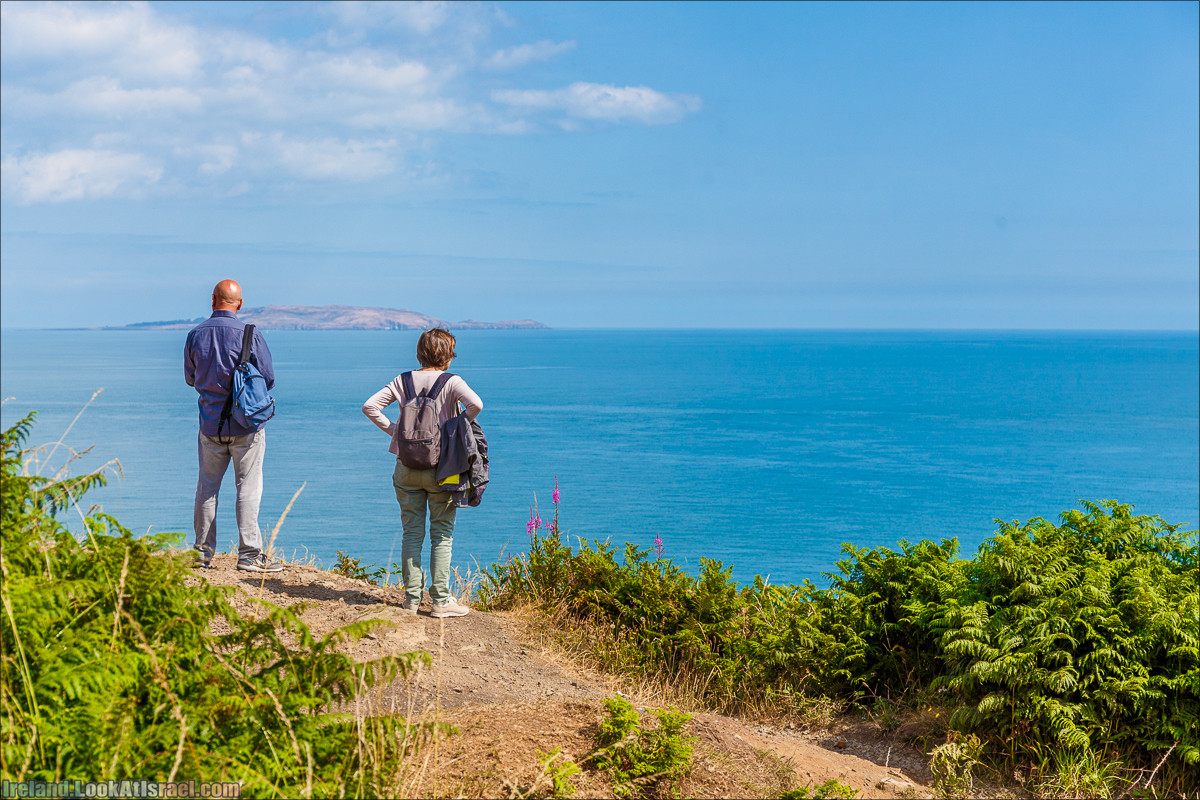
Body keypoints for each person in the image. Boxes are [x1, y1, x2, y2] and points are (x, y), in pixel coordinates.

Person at [362, 328, 483, 618]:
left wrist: (396, 431)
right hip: (445, 469)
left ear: (420, 352)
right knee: (442, 534)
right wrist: (453, 428)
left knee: (411, 533)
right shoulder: (452, 381)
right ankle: (441, 602)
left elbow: (370, 406)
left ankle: (411, 601)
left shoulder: (402, 380)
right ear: (447, 356)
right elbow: (476, 405)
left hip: (405, 466)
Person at [184, 279, 282, 573]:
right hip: (246, 426)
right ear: (240, 303)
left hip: (210, 425)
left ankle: (202, 554)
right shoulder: (249, 334)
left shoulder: (195, 335)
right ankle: (250, 555)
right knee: (248, 488)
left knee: (207, 489)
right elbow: (268, 378)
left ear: (213, 299)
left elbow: (190, 378)